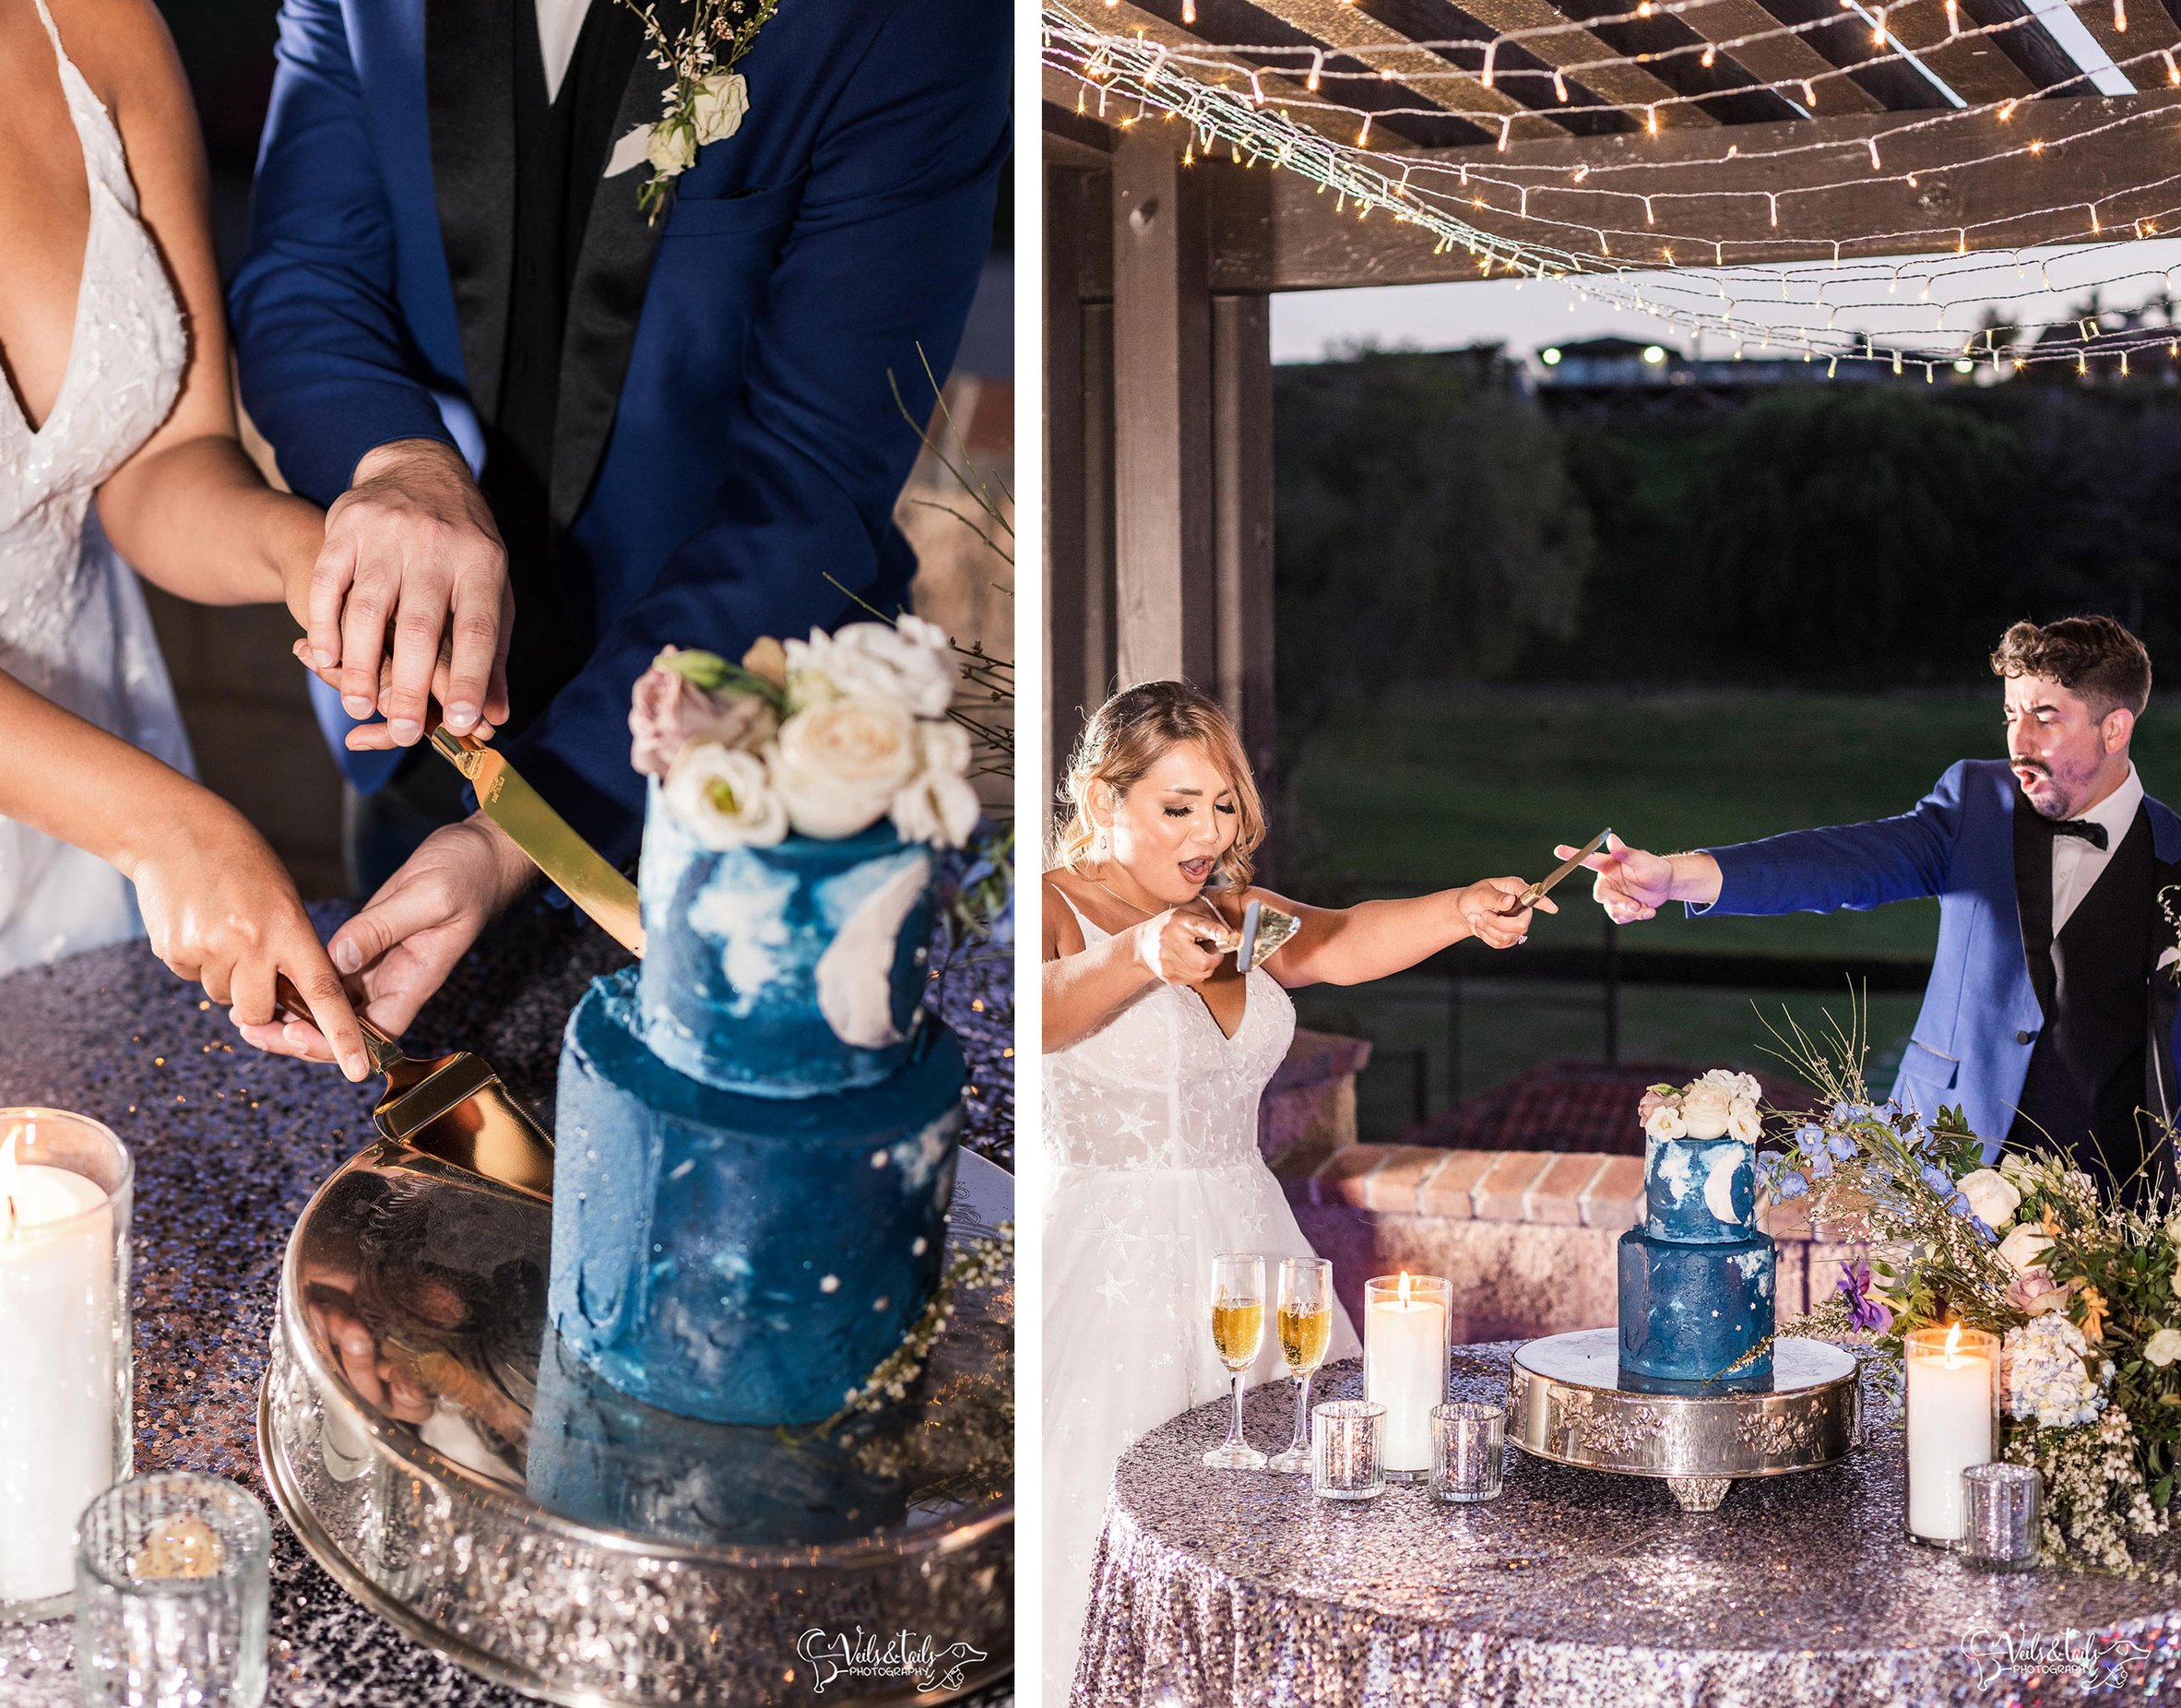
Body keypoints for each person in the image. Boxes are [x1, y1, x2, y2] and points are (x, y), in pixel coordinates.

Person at [228, 0, 1010, 1066]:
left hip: (744, 776)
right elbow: (306, 280)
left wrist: (526, 830)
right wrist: (395, 460)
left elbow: (813, 481)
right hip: (410, 728)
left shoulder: (907, 22)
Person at [0, 0, 504, 1065]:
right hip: (65, 822)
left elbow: (164, 459)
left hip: (90, 798)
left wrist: (313, 558)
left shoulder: (92, 20)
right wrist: (158, 825)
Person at [1040, 680, 1552, 1703]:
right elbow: (1034, 1013)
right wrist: (1138, 956)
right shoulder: (1051, 906)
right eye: (1176, 805)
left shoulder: (1232, 912)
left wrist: (1460, 909)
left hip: (1257, 1257)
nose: (1208, 829)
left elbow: (1345, 938)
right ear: (1104, 798)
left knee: (1284, 1531)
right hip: (1114, 1263)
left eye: (1222, 803)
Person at [1569, 616, 2181, 1196]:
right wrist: (1675, 876)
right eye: (2010, 715)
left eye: (2045, 718)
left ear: (2115, 728)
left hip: (2113, 1200)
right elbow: (1844, 861)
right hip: (1947, 1178)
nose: (2019, 740)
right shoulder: (1977, 803)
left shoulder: (2173, 858)